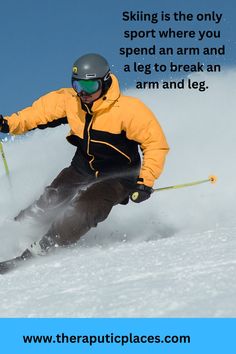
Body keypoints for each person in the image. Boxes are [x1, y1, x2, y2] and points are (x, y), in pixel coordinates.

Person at [0, 53, 169, 259]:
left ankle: (44, 246)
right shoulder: (72, 102)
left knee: (85, 207)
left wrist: (145, 182)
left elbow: (156, 144)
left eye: (89, 87)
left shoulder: (128, 110)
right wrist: (8, 124)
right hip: (83, 168)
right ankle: (11, 235)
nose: (83, 93)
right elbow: (38, 113)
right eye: (78, 86)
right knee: (51, 199)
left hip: (119, 177)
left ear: (104, 83)